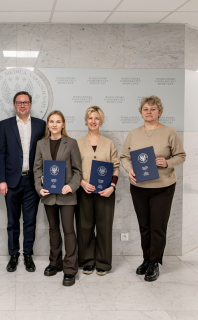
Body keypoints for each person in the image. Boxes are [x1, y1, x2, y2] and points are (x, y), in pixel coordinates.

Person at [120, 95, 186, 282]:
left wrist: (167, 162)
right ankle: (146, 259)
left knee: (158, 226)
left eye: (153, 109)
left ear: (159, 112)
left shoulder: (169, 132)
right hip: (139, 186)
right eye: (146, 109)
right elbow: (124, 156)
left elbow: (181, 156)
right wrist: (129, 169)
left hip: (162, 187)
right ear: (141, 112)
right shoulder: (133, 133)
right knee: (145, 226)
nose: (149, 112)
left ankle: (154, 263)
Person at [0, 91, 46, 273]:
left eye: (25, 102)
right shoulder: (5, 125)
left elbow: (45, 154)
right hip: (11, 181)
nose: (22, 105)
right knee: (12, 221)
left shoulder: (41, 125)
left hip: (33, 182)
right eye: (19, 102)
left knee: (30, 221)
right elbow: (0, 154)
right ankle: (14, 255)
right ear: (14, 104)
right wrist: (1, 180)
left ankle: (28, 255)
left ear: (31, 104)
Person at [33, 110, 82, 286]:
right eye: (51, 121)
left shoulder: (72, 143)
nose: (54, 124)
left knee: (68, 230)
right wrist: (39, 188)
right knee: (53, 229)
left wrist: (72, 186)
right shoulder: (41, 144)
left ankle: (70, 268)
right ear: (48, 124)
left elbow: (78, 170)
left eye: (58, 121)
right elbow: (37, 169)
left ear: (63, 125)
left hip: (67, 194)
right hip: (48, 195)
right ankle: (55, 263)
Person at [76, 106, 120, 276]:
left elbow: (116, 167)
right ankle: (87, 261)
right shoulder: (78, 143)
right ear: (86, 121)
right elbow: (73, 167)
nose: (93, 121)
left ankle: (103, 262)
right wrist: (81, 183)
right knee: (84, 226)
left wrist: (112, 187)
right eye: (90, 118)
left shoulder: (109, 144)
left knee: (104, 227)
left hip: (105, 192)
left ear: (101, 121)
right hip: (84, 191)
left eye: (96, 118)